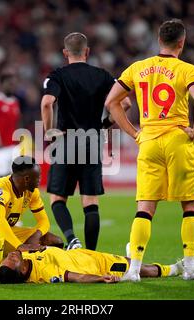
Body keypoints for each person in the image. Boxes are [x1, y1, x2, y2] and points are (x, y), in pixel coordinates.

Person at [105, 19, 194, 281]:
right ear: (182, 42)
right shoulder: (186, 69)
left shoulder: (138, 67)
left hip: (149, 141)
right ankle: (189, 267)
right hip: (178, 139)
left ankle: (133, 270)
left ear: (158, 40)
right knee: (190, 205)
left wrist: (134, 133)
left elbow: (111, 102)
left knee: (145, 208)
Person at [41, 32, 131, 251]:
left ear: (65, 53)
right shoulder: (103, 75)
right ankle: (91, 254)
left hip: (66, 140)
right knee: (90, 202)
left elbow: (47, 103)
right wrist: (104, 124)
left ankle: (72, 240)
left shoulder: (58, 75)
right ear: (87, 52)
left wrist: (50, 131)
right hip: (92, 141)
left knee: (57, 198)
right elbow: (125, 103)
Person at [0, 246, 194, 285]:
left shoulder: (0, 274)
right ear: (24, 271)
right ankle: (176, 268)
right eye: (13, 258)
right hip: (92, 261)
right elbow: (74, 277)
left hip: (76, 253)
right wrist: (99, 279)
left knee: (133, 263)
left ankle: (178, 266)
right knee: (137, 268)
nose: (11, 255)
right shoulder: (45, 274)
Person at [0, 156, 64, 268]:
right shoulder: (1, 190)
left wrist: (36, 235)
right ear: (26, 179)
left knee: (54, 241)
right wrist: (19, 245)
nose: (40, 180)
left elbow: (44, 221)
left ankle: (37, 269)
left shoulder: (32, 192)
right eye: (37, 177)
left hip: (7, 234)